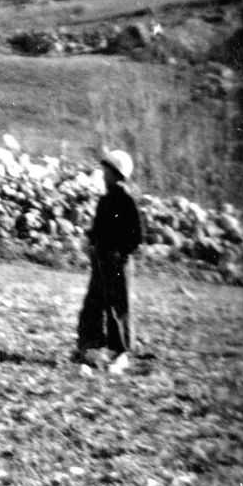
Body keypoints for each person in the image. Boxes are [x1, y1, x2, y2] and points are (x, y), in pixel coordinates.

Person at [76, 149, 144, 373]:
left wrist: (120, 253)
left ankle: (120, 353)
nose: (103, 176)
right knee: (93, 304)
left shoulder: (126, 201)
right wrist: (90, 241)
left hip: (117, 263)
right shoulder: (106, 200)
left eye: (107, 172)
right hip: (101, 261)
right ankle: (91, 348)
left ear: (117, 174)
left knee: (118, 308)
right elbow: (98, 229)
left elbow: (136, 236)